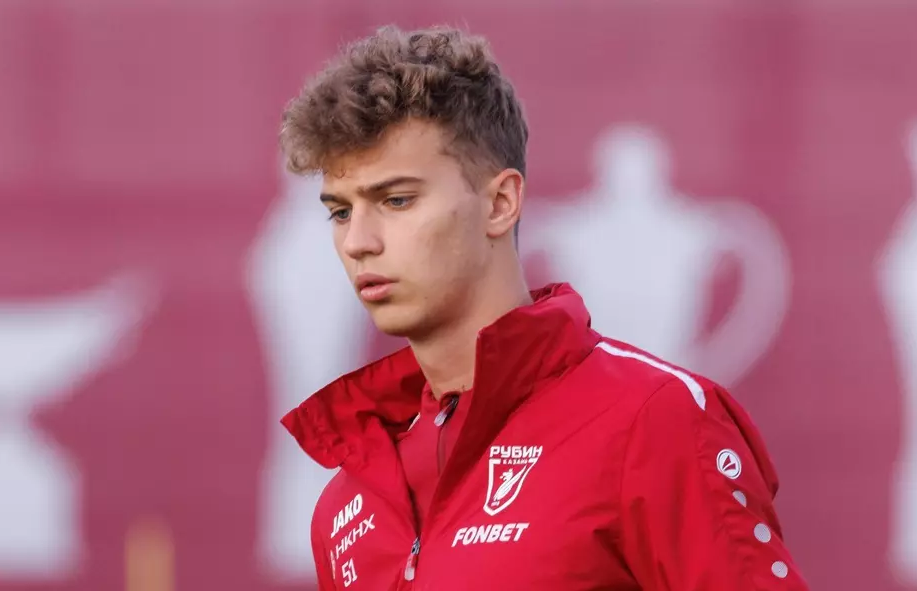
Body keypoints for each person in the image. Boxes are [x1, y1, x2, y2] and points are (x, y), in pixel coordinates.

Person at [278, 25, 808, 591]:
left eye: (397, 200)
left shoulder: (652, 420)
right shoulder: (347, 505)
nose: (358, 241)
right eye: (340, 212)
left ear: (500, 203)